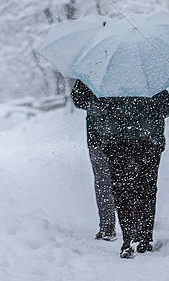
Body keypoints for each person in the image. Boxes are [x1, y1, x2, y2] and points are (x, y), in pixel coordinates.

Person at [87, 89, 169, 259]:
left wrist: (110, 125)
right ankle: (145, 237)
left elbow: (94, 110)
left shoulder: (108, 82)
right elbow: (166, 109)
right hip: (149, 141)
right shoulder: (151, 77)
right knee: (147, 189)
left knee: (122, 190)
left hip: (116, 142)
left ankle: (128, 237)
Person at [70, 79, 117, 241]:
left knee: (103, 181)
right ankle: (133, 223)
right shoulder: (134, 70)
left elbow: (78, 99)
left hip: (97, 135)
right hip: (126, 136)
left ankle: (107, 225)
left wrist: (96, 104)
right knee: (128, 180)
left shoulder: (92, 70)